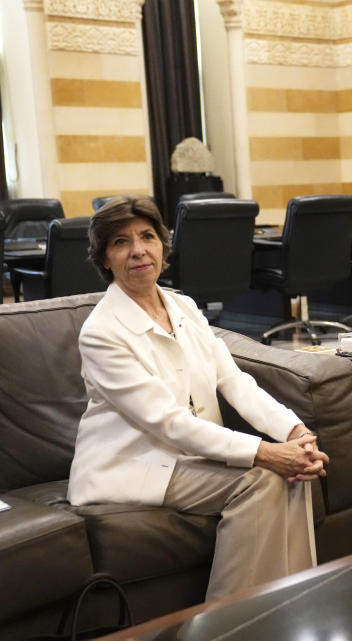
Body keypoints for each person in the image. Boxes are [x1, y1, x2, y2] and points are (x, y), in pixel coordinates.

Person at [67, 195, 328, 601]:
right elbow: (168, 422)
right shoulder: (101, 332)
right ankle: (221, 626)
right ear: (104, 258)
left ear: (162, 246)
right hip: (135, 463)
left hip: (187, 457)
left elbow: (235, 381)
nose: (138, 250)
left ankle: (289, 607)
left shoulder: (183, 305)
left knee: (291, 472)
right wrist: (265, 451)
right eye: (120, 242)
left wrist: (295, 431)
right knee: (260, 478)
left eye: (147, 236)